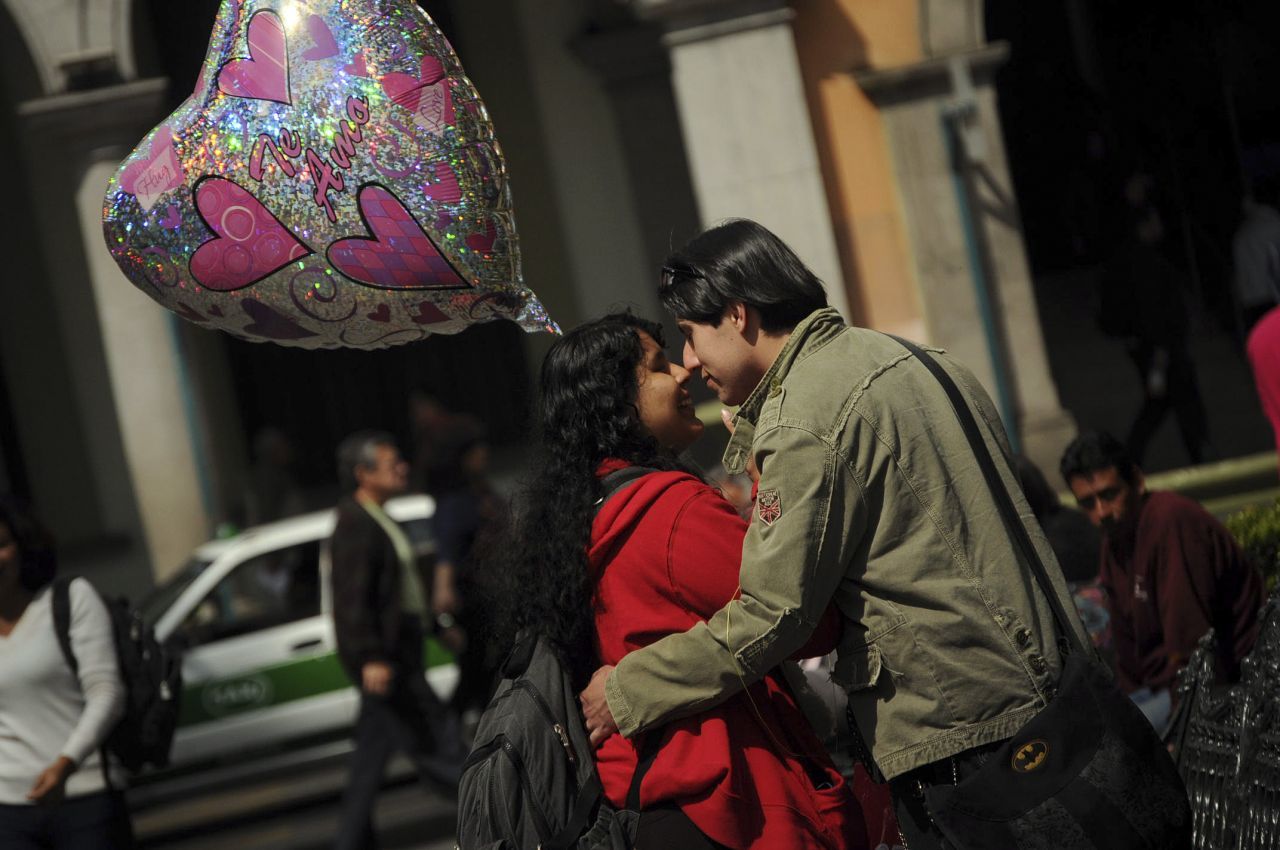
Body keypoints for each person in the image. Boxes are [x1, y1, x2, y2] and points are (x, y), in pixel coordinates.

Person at [578, 220, 1089, 849]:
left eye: (689, 336)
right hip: (1056, 693)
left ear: (738, 315)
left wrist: (628, 690)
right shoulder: (915, 358)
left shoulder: (804, 418)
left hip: (965, 736)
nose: (689, 363)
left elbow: (773, 613)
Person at [497, 313, 867, 849]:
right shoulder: (670, 510)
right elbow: (806, 623)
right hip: (732, 803)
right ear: (617, 402)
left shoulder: (583, 517)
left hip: (649, 798)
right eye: (656, 365)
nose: (682, 370)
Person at [1059, 431, 1264, 730]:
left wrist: (1179, 735)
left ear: (1137, 482)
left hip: (1222, 684)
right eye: (1088, 503)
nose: (1101, 512)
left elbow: (1193, 646)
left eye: (1109, 494)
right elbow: (1128, 654)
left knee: (1115, 740)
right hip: (1158, 690)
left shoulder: (1171, 521)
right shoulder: (1113, 542)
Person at [330, 432, 464, 850]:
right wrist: (370, 656)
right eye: (391, 463)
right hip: (389, 658)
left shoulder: (383, 516)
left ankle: (350, 841)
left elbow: (402, 592)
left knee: (371, 760)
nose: (402, 467)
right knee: (436, 743)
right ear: (363, 474)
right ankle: (492, 802)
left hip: (402, 651)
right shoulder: (355, 522)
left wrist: (439, 628)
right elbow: (353, 600)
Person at [0, 498, 133, 849]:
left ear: (22, 547)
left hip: (85, 798)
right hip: (8, 813)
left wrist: (65, 765)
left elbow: (107, 692)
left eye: (1, 545)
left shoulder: (69, 600)